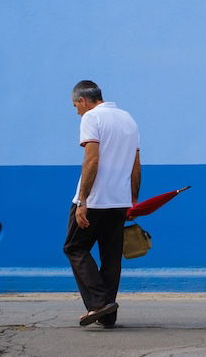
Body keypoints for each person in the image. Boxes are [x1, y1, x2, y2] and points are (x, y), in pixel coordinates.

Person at [62, 80, 141, 328]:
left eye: (76, 105)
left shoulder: (92, 118)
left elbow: (92, 160)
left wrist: (83, 200)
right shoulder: (128, 119)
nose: (76, 111)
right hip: (119, 201)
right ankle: (107, 315)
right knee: (111, 256)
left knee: (74, 247)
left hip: (95, 200)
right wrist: (133, 200)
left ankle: (98, 302)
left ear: (84, 100)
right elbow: (136, 164)